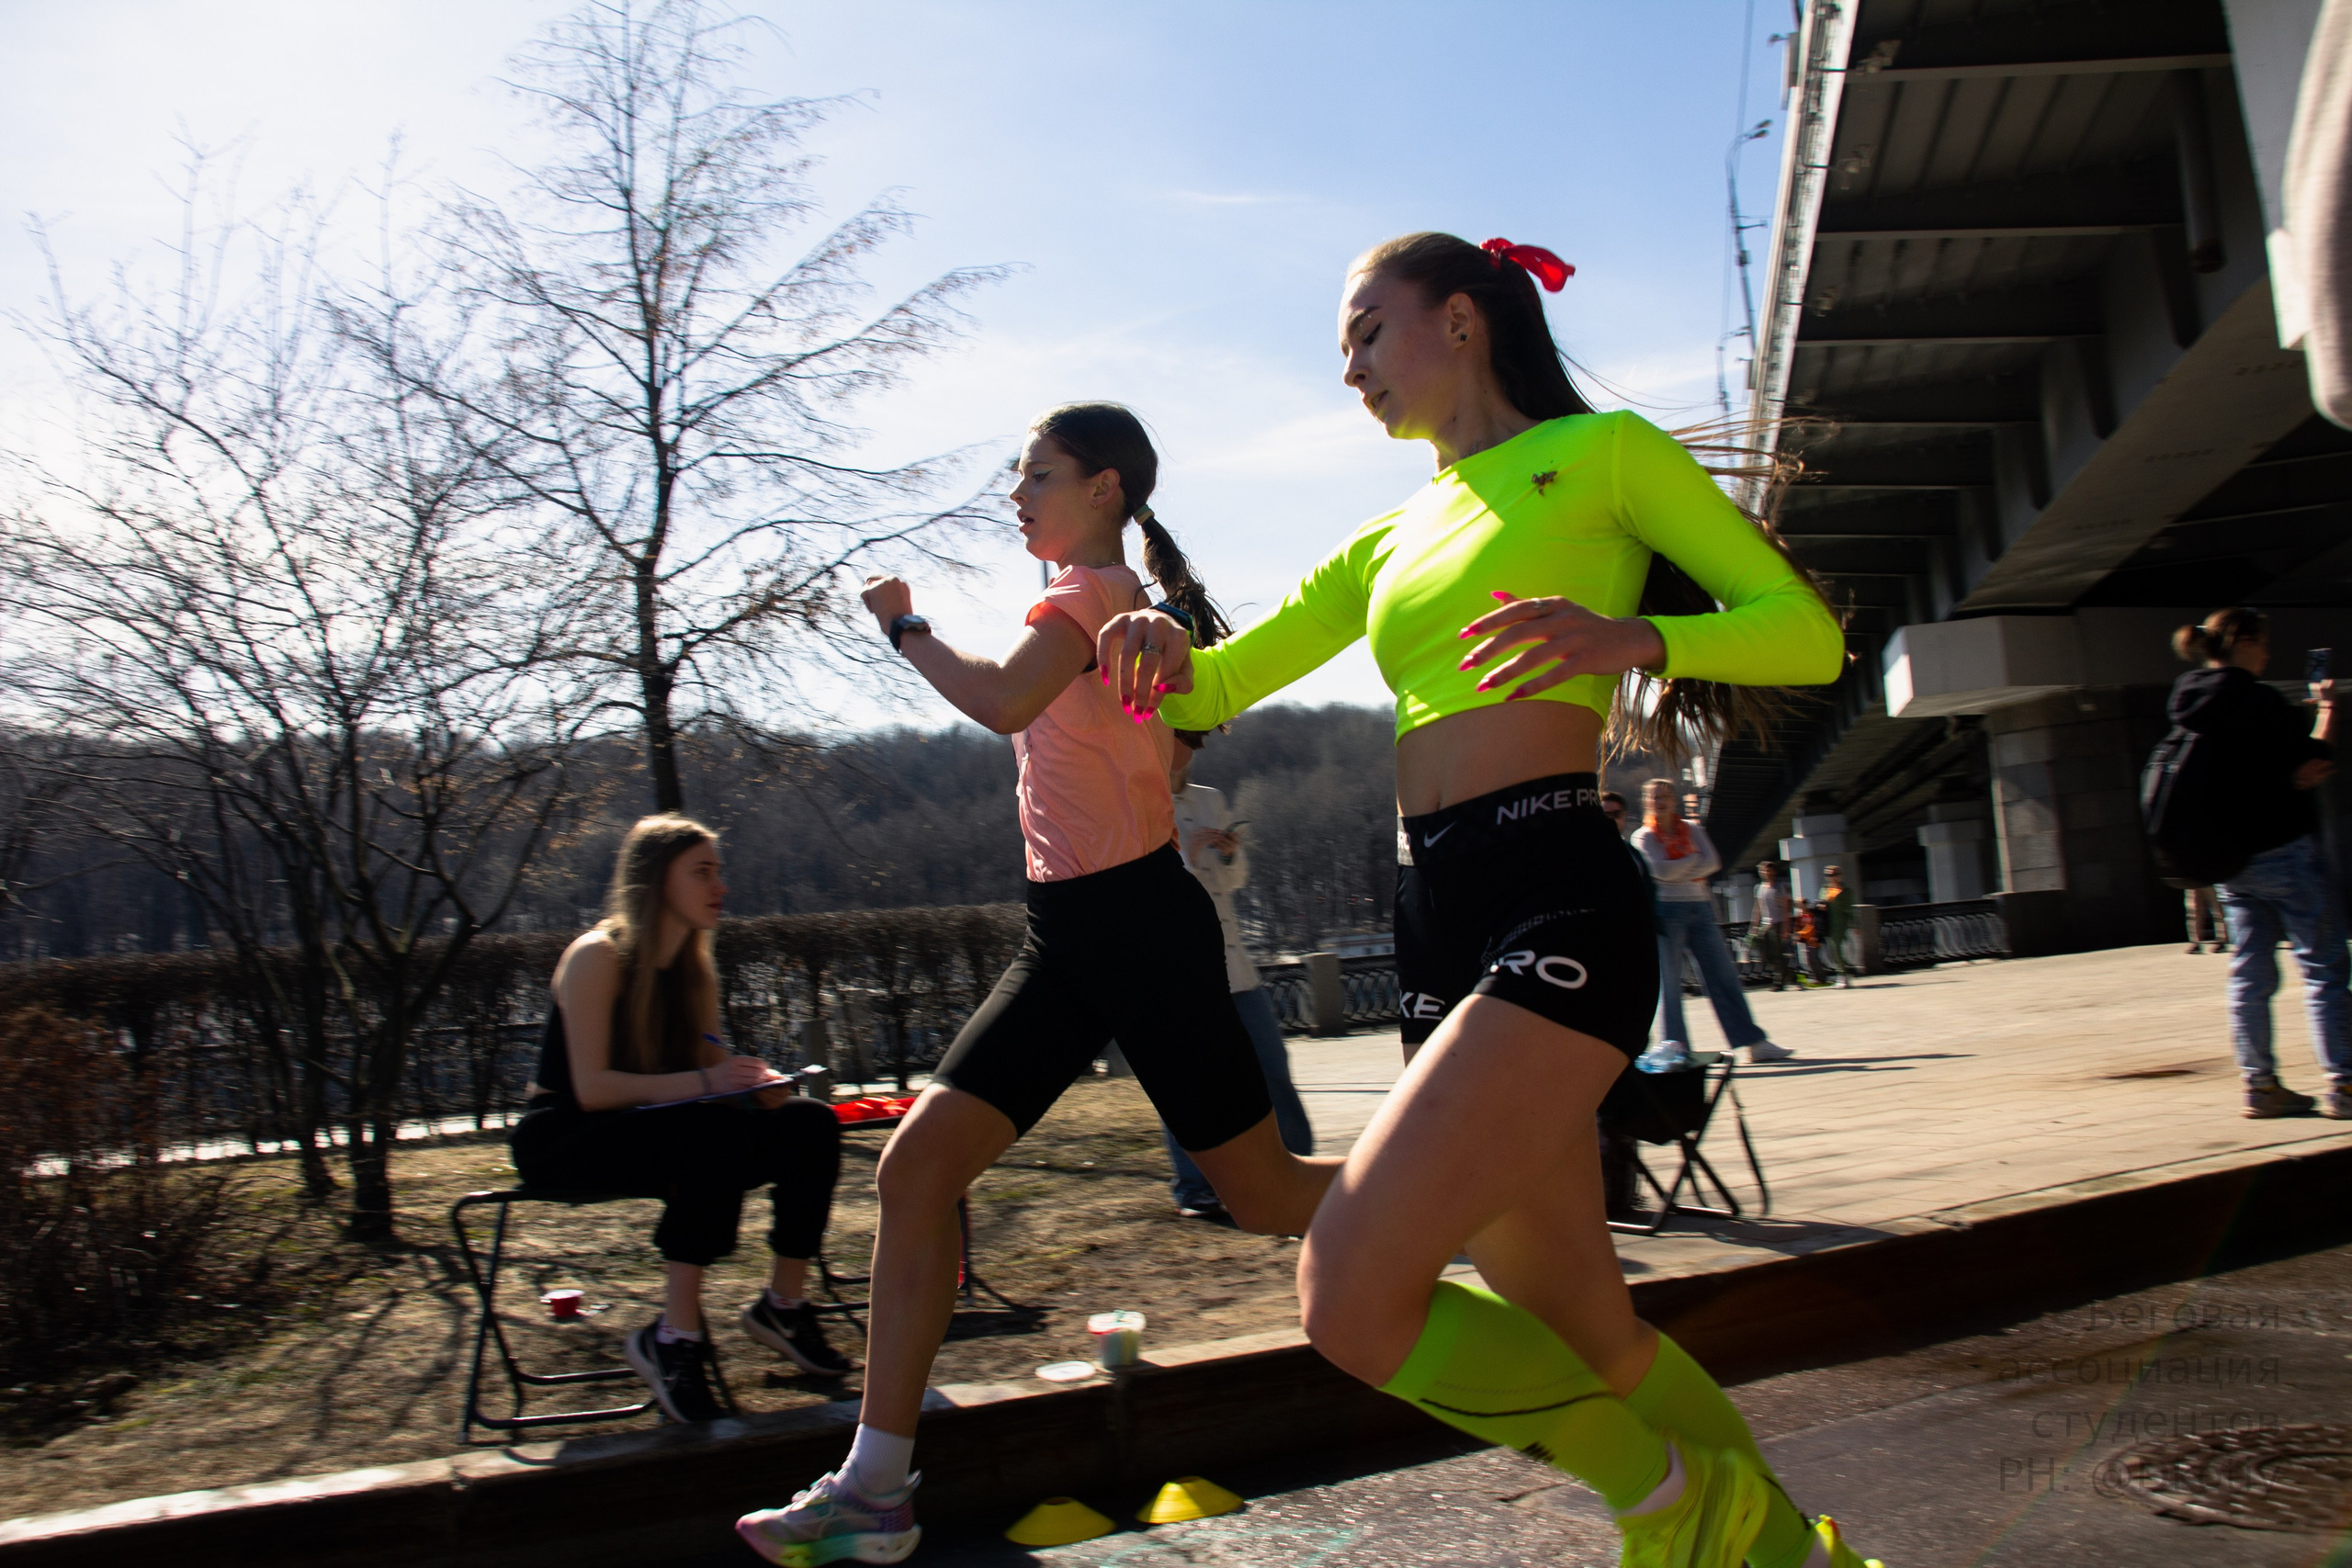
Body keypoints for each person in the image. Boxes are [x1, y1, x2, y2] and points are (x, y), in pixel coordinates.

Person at [1099, 233, 1868, 1568]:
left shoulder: (1608, 455)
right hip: (1432, 915)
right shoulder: (1391, 535)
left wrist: (1637, 638)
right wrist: (1164, 638)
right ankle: (1787, 1552)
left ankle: (1676, 1502)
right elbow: (1215, 688)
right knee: (1577, 1312)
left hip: (1556, 892)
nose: (1348, 368)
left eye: (1365, 332)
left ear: (1460, 321)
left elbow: (1803, 631)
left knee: (1349, 1290)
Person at [736, 403, 1340, 1566]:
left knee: (1263, 1195)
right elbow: (1141, 751)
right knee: (916, 1174)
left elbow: (1001, 700)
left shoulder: (1086, 603)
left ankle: (1470, 1190)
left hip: (1138, 931)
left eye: (1038, 476)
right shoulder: (1125, 612)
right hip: (1069, 934)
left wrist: (903, 628)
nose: (1016, 495)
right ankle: (875, 1488)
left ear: (1105, 489)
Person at [511, 815, 852, 1426]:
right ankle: (676, 1336)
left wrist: (758, 1087)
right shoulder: (596, 956)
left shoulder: (691, 971)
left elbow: (711, 1065)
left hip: (658, 1126)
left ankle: (783, 1303)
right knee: (707, 1132)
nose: (719, 884)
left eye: (718, 870)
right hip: (561, 1133)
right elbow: (591, 1090)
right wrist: (709, 1085)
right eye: (702, 871)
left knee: (810, 1124)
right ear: (656, 879)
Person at [2168, 607, 2352, 1120]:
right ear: (2243, 642)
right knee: (2324, 966)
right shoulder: (2258, 700)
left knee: (2249, 975)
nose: (2269, 652)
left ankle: (2262, 1086)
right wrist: (2327, 708)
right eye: (2264, 642)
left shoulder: (2188, 700)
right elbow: (2313, 763)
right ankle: (2345, 1083)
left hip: (2231, 861)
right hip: (2285, 850)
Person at [1160, 728, 1317, 1219]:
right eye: (1178, 740)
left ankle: (1304, 1168)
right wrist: (1185, 856)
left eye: (1192, 742)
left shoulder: (1211, 800)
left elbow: (1233, 880)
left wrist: (1227, 852)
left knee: (1272, 1069)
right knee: (1187, 1084)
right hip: (1180, 971)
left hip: (1236, 966)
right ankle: (1195, 1188)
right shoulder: (1138, 802)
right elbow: (1148, 885)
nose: (1187, 751)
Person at [1633, 778, 1792, 1065]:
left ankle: (1754, 1043)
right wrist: (1693, 862)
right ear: (1646, 802)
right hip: (1666, 911)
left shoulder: (1692, 829)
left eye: (1665, 795)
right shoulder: (1643, 836)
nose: (1660, 801)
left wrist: (1681, 867)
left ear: (1674, 799)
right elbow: (1659, 870)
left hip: (1701, 908)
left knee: (1723, 976)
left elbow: (1714, 862)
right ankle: (1675, 1047)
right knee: (1669, 983)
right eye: (1654, 797)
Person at [1750, 861, 1798, 990]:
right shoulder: (1759, 888)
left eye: (1769, 870)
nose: (1766, 873)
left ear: (1774, 872)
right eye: (1764, 870)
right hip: (1765, 923)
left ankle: (1779, 981)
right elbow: (1758, 908)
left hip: (1778, 922)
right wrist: (1754, 926)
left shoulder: (1779, 887)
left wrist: (1786, 928)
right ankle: (1787, 973)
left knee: (1777, 952)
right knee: (1763, 951)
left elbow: (1786, 908)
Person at [1815, 865, 1857, 988]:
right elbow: (1820, 902)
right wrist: (1821, 906)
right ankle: (1845, 971)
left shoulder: (1846, 891)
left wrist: (1855, 925)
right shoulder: (1824, 889)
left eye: (1833, 875)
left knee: (1836, 949)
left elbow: (1849, 910)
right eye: (1828, 875)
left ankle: (1842, 975)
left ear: (1839, 875)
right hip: (1828, 923)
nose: (1831, 878)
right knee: (1832, 952)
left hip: (1840, 924)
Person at [2185, 885, 2222, 954]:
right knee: (2193, 911)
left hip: (2210, 880)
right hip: (2192, 880)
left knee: (2217, 911)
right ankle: (2195, 942)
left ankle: (2221, 941)